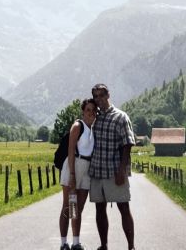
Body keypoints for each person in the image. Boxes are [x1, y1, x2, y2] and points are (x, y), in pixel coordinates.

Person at [89, 83, 136, 250]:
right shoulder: (95, 118)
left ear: (108, 95)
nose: (99, 99)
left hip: (114, 171)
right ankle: (104, 245)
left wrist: (122, 170)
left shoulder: (121, 117)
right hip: (97, 171)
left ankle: (131, 247)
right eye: (96, 96)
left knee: (123, 207)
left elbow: (128, 144)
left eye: (101, 95)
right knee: (99, 209)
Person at [58, 98, 97, 250]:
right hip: (73, 166)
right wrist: (72, 175)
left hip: (86, 168)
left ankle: (76, 243)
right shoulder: (77, 126)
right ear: (83, 111)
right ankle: (63, 243)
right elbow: (70, 150)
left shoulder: (93, 128)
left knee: (77, 209)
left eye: (93, 110)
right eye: (88, 110)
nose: (91, 113)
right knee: (67, 207)